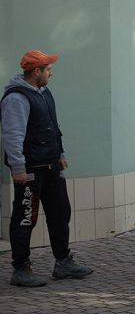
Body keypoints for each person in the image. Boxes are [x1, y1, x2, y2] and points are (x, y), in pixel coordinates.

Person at [2, 50, 92, 287]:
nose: (51, 74)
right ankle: (20, 269)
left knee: (61, 211)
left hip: (51, 165)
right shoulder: (16, 98)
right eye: (48, 69)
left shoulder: (44, 93)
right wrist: (18, 167)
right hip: (30, 169)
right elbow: (12, 136)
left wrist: (60, 154)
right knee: (25, 218)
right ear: (36, 72)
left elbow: (53, 125)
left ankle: (63, 262)